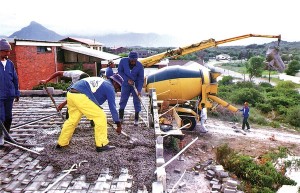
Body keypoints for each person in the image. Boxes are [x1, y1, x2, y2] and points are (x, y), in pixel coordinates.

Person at [56, 74, 124, 152]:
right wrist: (118, 123)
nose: (118, 89)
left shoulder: (102, 82)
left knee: (72, 121)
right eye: (118, 87)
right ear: (115, 82)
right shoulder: (109, 87)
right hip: (80, 96)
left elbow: (93, 100)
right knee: (100, 117)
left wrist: (91, 115)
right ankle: (101, 144)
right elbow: (112, 107)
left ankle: (62, 143)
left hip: (71, 94)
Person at [0, 39, 20, 146]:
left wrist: (16, 92)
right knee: (1, 116)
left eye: (9, 51)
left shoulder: (10, 64)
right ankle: (0, 136)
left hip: (9, 95)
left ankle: (6, 133)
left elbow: (15, 79)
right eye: (6, 51)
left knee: (8, 116)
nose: (8, 53)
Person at [118, 51, 144, 126]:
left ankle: (136, 119)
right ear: (129, 59)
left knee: (137, 100)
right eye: (131, 60)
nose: (133, 62)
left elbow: (141, 79)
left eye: (134, 60)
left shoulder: (140, 66)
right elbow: (120, 71)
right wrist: (127, 79)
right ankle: (120, 118)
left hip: (135, 85)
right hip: (125, 84)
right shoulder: (123, 61)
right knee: (123, 99)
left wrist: (139, 90)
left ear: (136, 59)